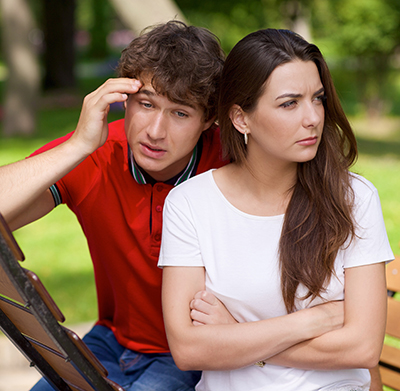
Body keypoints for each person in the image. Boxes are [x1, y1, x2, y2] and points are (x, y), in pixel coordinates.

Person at [159, 28, 393, 391]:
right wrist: (310, 323)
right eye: (289, 103)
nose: (313, 117)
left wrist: (235, 335)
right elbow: (189, 349)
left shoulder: (354, 197)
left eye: (317, 99)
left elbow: (362, 346)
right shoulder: (190, 204)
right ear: (241, 118)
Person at [0, 21, 226, 391]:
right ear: (123, 97)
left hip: (190, 353)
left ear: (209, 120)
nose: (155, 130)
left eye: (180, 113)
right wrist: (77, 146)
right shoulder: (100, 151)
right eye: (146, 103)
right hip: (111, 341)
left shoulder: (232, 165)